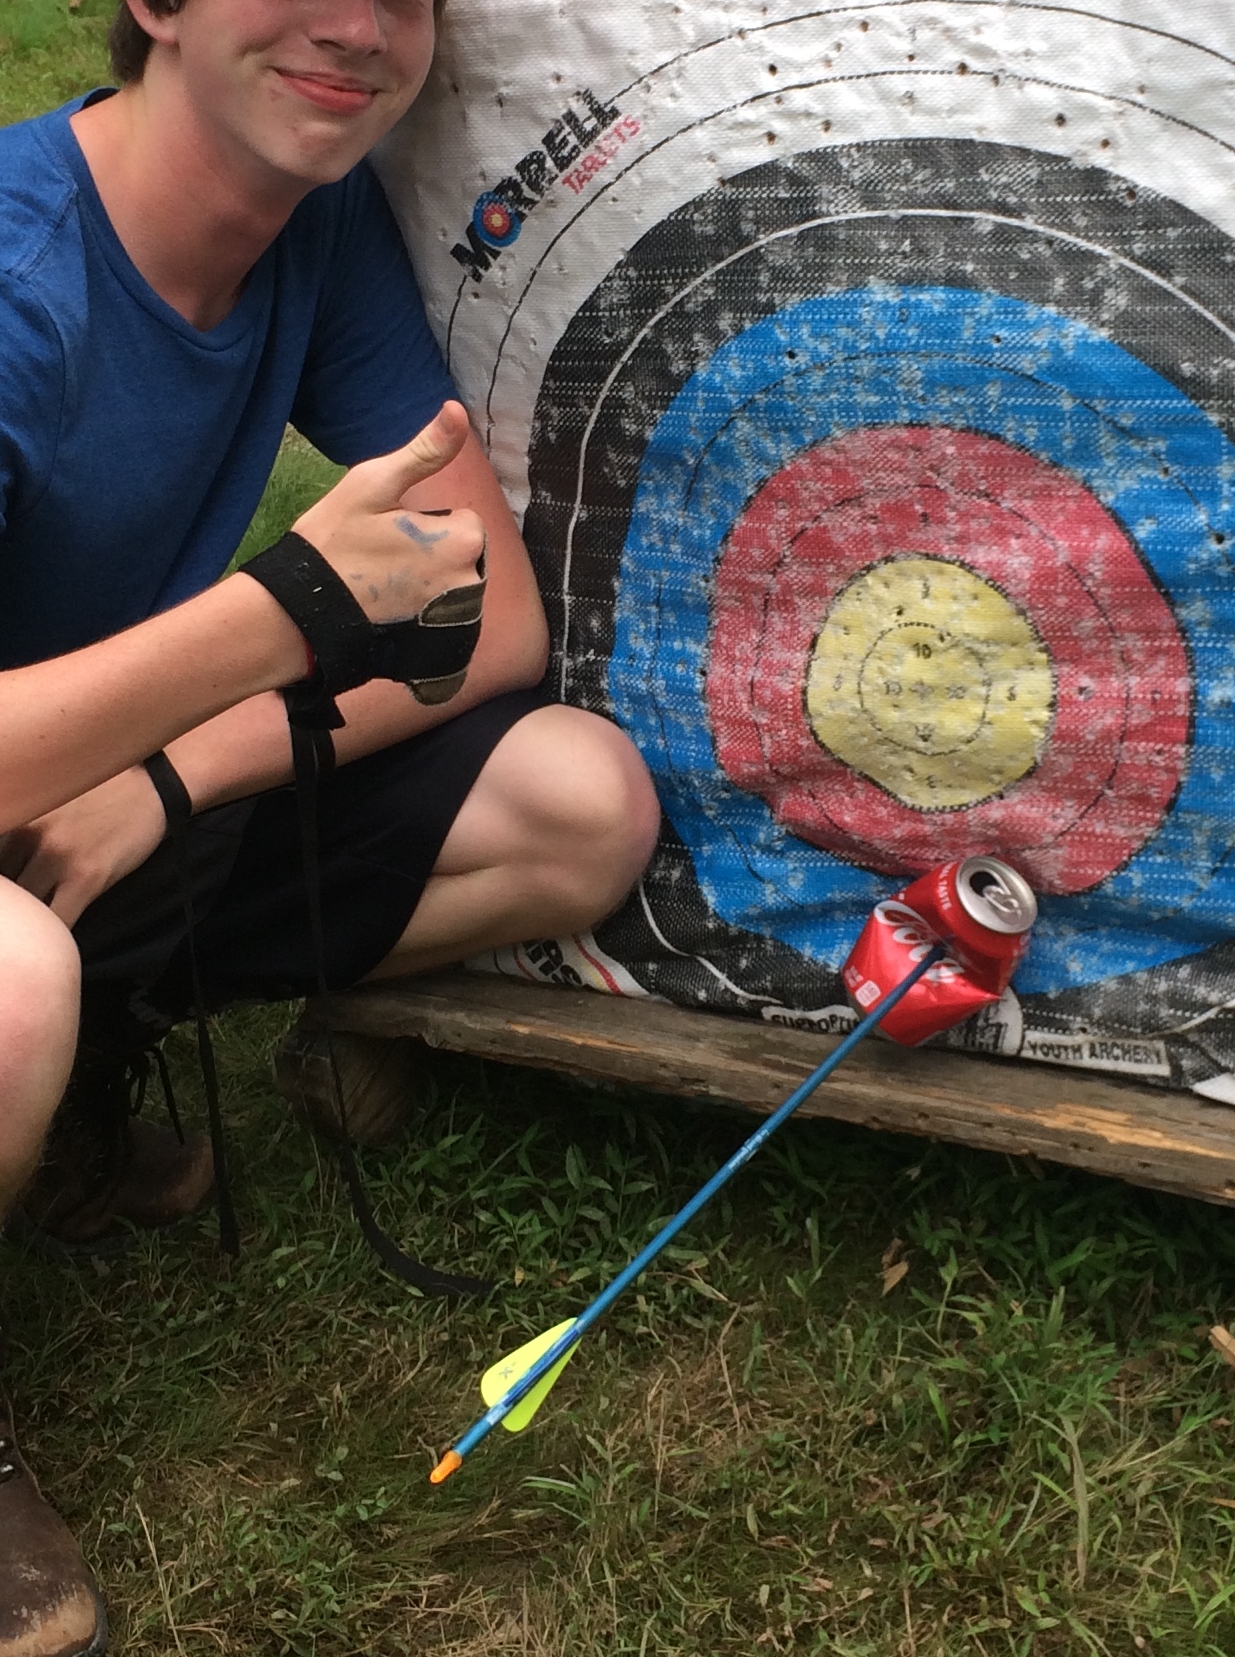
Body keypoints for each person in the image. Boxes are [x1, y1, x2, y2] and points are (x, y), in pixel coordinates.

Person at [0, 2, 661, 1652]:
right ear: (153, 1)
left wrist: (169, 777)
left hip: (93, 801)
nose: (361, 29)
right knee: (10, 974)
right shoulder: (20, 280)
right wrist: (283, 610)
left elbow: (492, 618)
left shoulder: (317, 226)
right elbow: (341, 601)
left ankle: (85, 1063)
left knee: (579, 802)